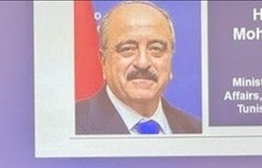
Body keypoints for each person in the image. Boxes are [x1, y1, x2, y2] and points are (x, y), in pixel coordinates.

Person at [76, 1, 202, 135]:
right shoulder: (70, 126)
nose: (143, 63)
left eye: (156, 49)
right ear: (103, 61)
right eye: (128, 49)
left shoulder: (196, 130)